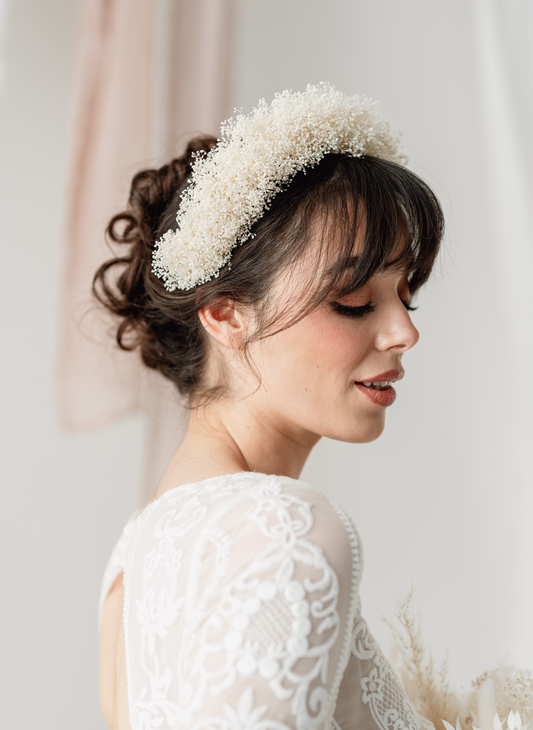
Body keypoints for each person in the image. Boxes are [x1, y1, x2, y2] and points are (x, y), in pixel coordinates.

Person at [95, 84, 444, 730]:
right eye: (354, 301)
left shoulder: (135, 554)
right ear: (226, 314)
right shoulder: (287, 529)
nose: (404, 333)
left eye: (406, 296)